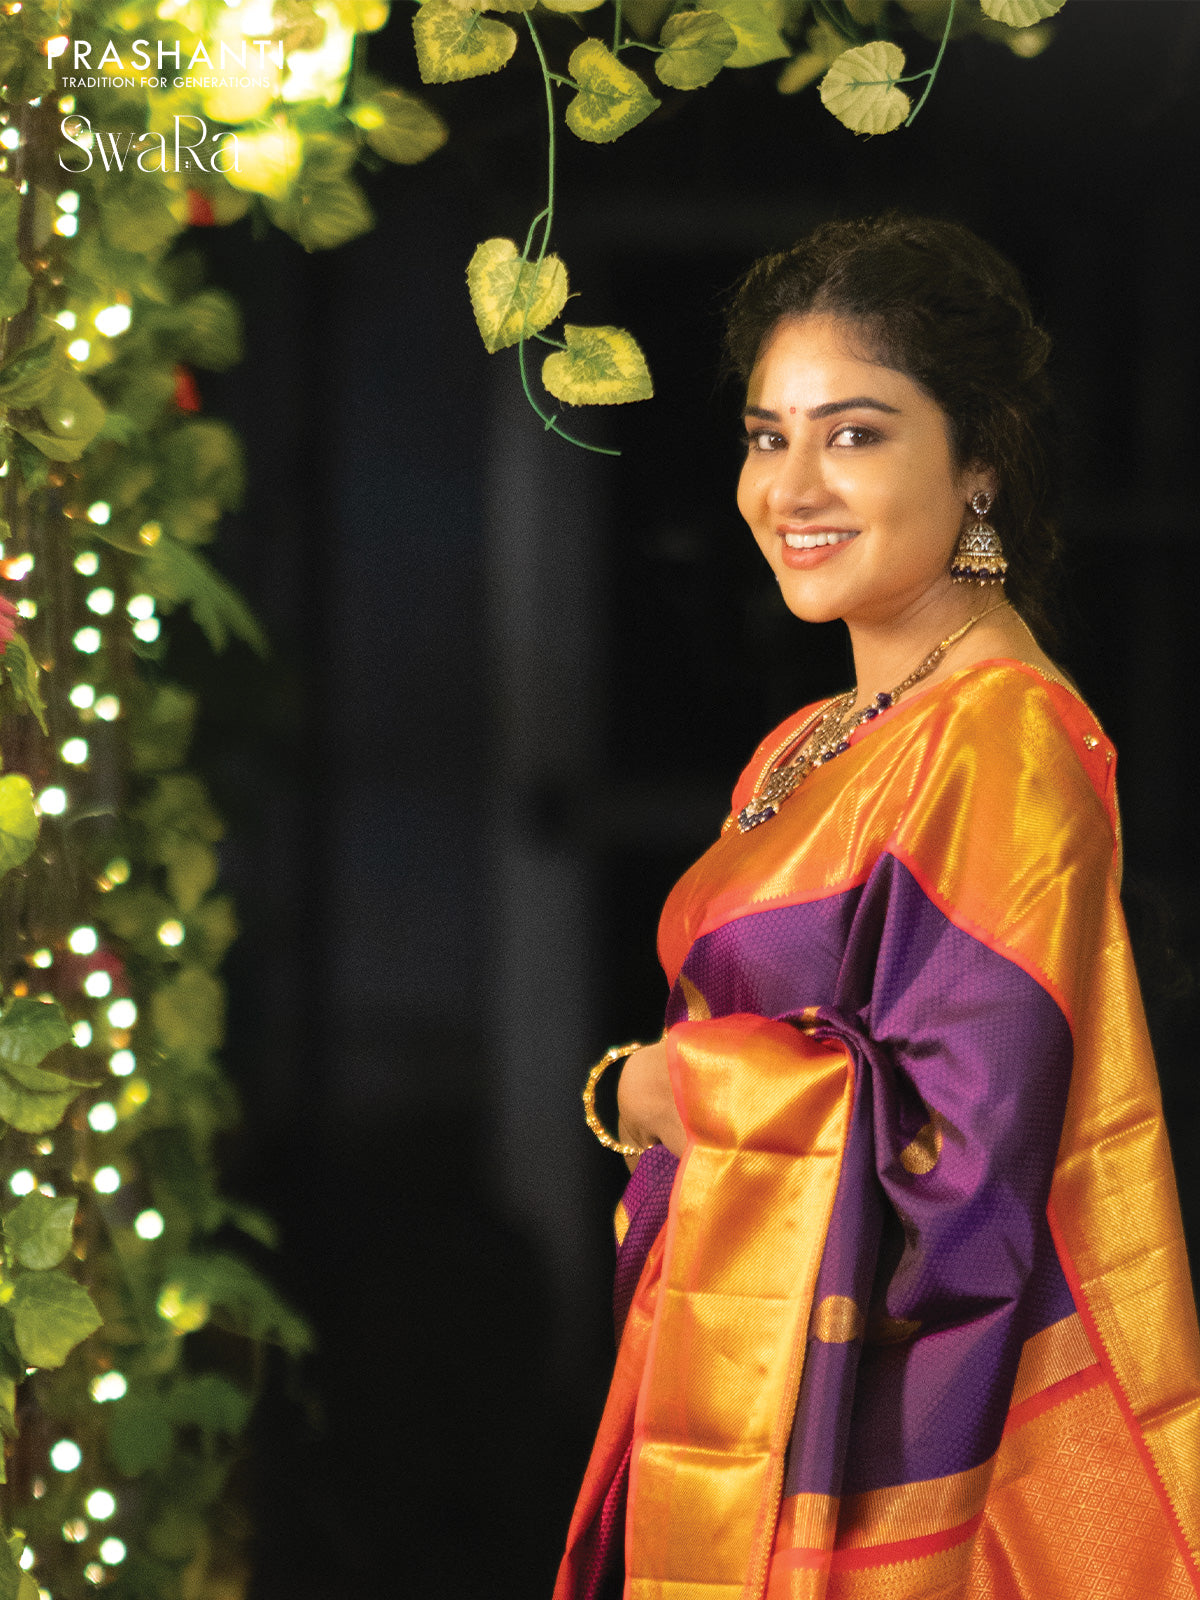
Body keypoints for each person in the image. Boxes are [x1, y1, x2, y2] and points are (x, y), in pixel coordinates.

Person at [555, 215, 1200, 1600]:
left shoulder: (1003, 739)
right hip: (749, 1398)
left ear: (979, 465)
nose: (789, 487)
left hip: (891, 1465)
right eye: (765, 436)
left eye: (853, 434)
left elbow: (965, 1176)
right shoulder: (806, 744)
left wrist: (670, 1091)